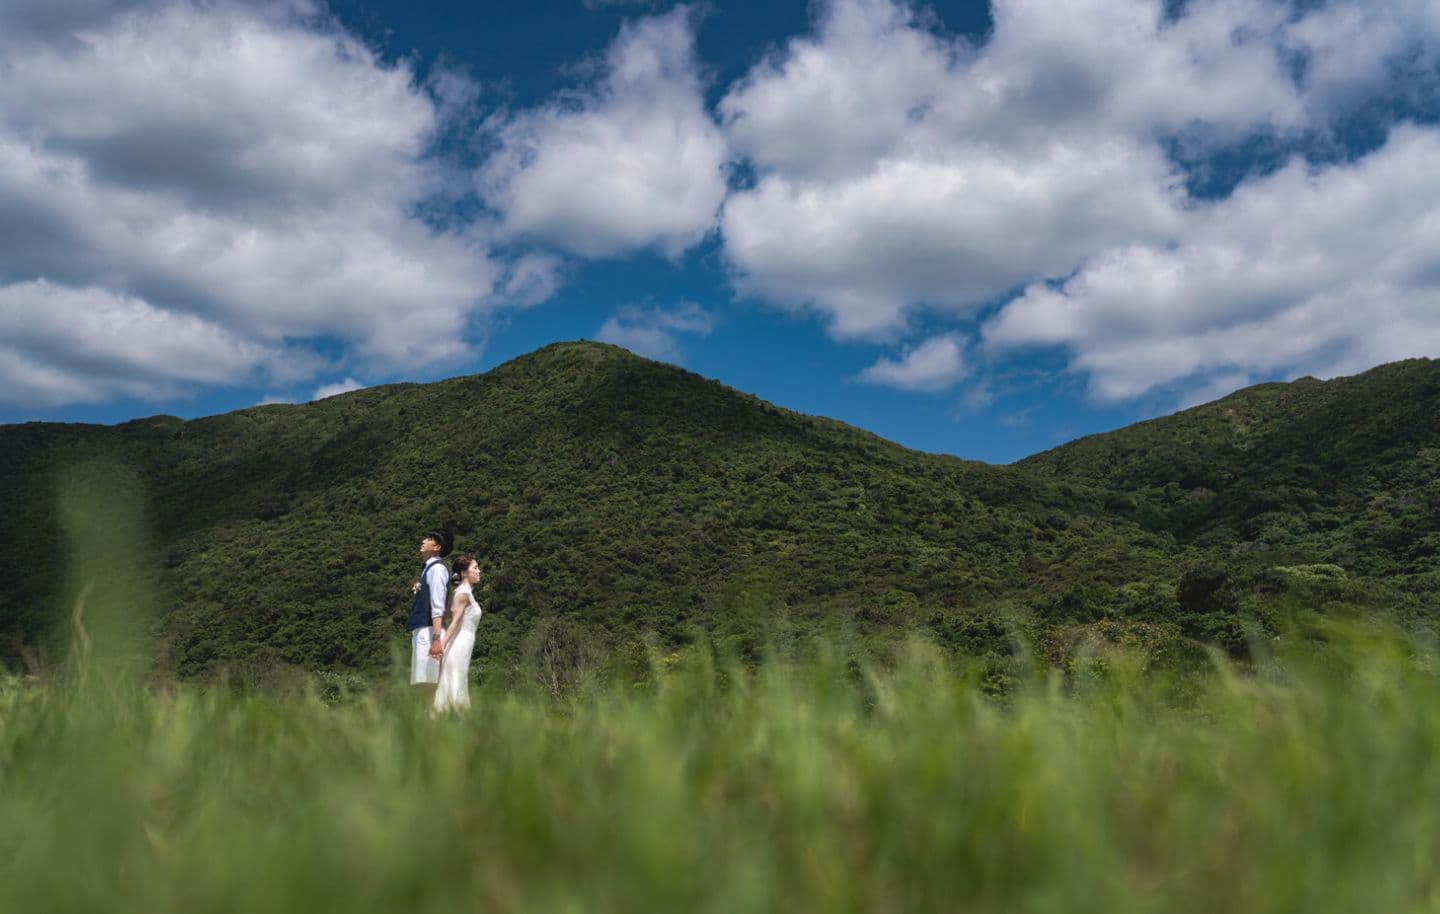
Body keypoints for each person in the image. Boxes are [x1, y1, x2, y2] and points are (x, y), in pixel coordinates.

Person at [433, 553, 483, 713]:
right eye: (475, 568)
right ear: (463, 573)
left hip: (464, 644)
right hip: (458, 645)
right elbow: (453, 624)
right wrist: (440, 646)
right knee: (455, 682)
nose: (479, 571)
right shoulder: (462, 594)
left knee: (457, 681)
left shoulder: (465, 592)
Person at [407, 529, 452, 688]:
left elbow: (437, 606)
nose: (423, 541)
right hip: (424, 631)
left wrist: (436, 639)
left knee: (428, 685)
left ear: (437, 547)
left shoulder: (437, 569)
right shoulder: (428, 569)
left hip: (429, 632)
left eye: (429, 539)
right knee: (423, 683)